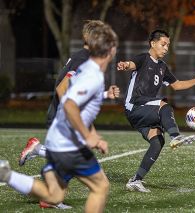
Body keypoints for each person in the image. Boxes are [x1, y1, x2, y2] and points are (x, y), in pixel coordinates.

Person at [0, 23, 118, 212]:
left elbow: (79, 97)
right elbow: (65, 93)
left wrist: (104, 96)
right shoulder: (89, 66)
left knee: (54, 195)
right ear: (109, 49)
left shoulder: (90, 68)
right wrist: (87, 135)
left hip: (60, 135)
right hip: (67, 137)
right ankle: (37, 150)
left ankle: (7, 174)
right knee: (100, 186)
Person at [117, 29, 195, 192]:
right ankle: (175, 136)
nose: (166, 48)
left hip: (144, 110)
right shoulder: (143, 58)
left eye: (168, 45)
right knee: (164, 105)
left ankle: (135, 180)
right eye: (163, 44)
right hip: (135, 105)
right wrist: (125, 65)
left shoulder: (162, 67)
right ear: (153, 44)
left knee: (157, 141)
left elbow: (177, 85)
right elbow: (131, 64)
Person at [18, 20, 120, 168]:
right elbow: (62, 89)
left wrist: (104, 94)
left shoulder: (85, 58)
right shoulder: (83, 59)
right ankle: (27, 159)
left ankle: (37, 151)